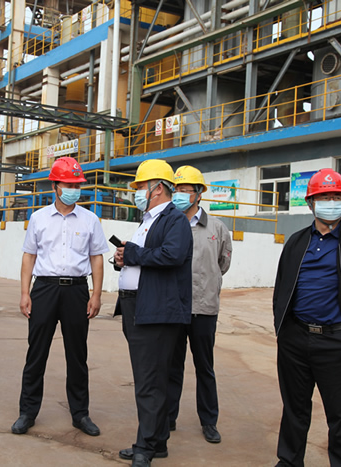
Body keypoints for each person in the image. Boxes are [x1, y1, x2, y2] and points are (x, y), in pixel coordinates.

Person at [273, 168, 341, 466]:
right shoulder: (296, 242)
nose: (331, 203)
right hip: (295, 340)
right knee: (294, 409)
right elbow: (281, 288)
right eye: (324, 197)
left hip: (337, 342)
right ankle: (289, 461)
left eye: (336, 197)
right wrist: (284, 332)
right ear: (311, 203)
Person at [11, 156, 108, 437]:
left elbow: (97, 258)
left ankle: (80, 414)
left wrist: (96, 294)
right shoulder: (38, 218)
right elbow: (29, 257)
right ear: (55, 185)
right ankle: (27, 412)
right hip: (44, 289)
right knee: (36, 353)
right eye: (68, 184)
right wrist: (25, 293)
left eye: (77, 185)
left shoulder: (90, 220)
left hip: (77, 290)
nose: (73, 190)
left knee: (77, 355)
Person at [114, 159, 193, 467]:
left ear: (157, 188)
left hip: (156, 311)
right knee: (151, 378)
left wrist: (134, 254)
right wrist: (123, 258)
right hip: (137, 307)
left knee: (149, 382)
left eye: (140, 187)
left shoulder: (174, 220)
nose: (136, 192)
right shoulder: (148, 220)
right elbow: (144, 257)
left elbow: (172, 255)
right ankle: (157, 441)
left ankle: (145, 446)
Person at [167, 165, 232, 444]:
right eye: (177, 190)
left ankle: (209, 421)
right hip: (173, 308)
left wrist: (206, 282)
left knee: (205, 367)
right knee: (172, 366)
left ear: (199, 193)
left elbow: (223, 263)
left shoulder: (217, 228)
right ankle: (168, 417)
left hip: (204, 308)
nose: (180, 195)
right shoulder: (168, 224)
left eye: (186, 190)